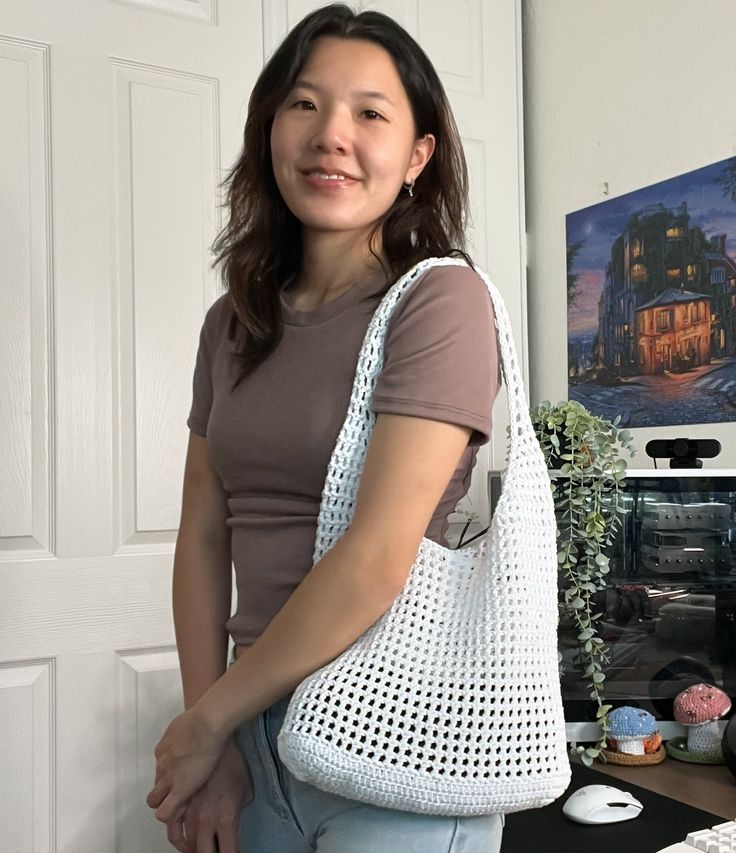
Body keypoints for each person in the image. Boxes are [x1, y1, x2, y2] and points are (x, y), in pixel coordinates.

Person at [146, 4, 502, 852]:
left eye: (371, 113)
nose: (330, 135)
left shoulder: (441, 301)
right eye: (304, 105)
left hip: (402, 737)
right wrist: (219, 735)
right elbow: (203, 530)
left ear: (417, 156)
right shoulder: (230, 324)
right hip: (256, 737)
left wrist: (204, 720)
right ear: (270, 130)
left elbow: (378, 555)